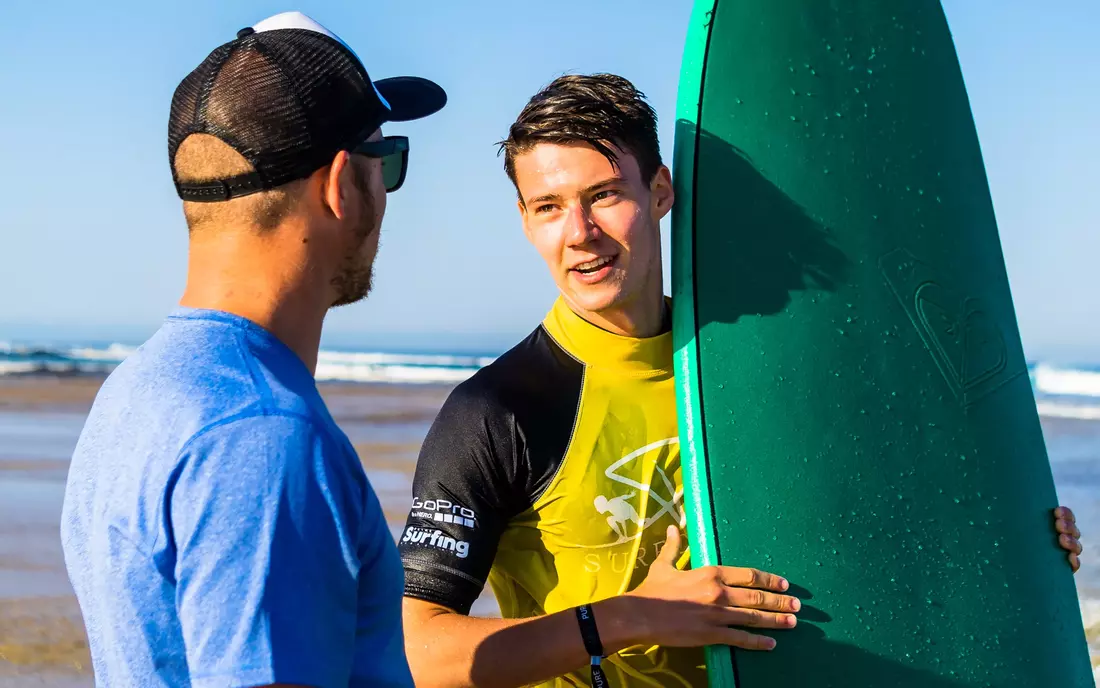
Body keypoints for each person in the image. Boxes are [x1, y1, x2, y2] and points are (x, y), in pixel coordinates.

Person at [396, 73, 1085, 688]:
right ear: (525, 221)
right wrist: (627, 618)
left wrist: (1016, 535)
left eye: (604, 196)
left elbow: (883, 509)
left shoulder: (760, 372)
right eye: (548, 206)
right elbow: (419, 653)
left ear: (660, 192)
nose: (579, 232)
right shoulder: (500, 411)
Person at [59, 11, 446, 687]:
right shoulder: (264, 435)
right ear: (339, 186)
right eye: (385, 162)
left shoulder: (134, 391)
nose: (385, 193)